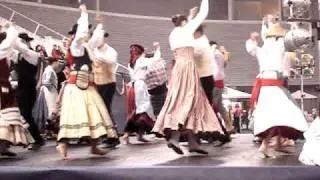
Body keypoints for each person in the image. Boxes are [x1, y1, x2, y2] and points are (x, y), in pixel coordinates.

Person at [152, 0, 223, 155]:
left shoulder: (174, 33)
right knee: (188, 100)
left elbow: (187, 27)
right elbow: (203, 14)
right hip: (187, 68)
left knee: (188, 102)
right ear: (184, 22)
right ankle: (176, 139)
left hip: (179, 67)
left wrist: (190, 17)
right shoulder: (186, 30)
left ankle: (192, 142)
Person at [56, 4, 117, 160]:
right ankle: (63, 144)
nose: (87, 33)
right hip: (77, 87)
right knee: (75, 115)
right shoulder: (76, 46)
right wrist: (84, 13)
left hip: (87, 86)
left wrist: (100, 24)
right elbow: (83, 33)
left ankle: (94, 146)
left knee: (93, 114)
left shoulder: (86, 46)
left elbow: (96, 38)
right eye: (85, 32)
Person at [246, 17, 308, 158]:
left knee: (275, 115)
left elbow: (252, 47)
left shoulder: (263, 49)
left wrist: (257, 33)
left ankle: (277, 143)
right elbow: (290, 46)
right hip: (274, 85)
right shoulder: (279, 47)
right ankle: (265, 144)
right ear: (278, 37)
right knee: (281, 115)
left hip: (268, 85)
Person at [0, 23, 39, 156]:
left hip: (22, 88)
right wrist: (10, 30)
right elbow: (8, 46)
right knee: (9, 115)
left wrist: (12, 34)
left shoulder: (30, 54)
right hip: (8, 87)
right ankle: (3, 146)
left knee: (16, 115)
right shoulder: (6, 51)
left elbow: (16, 48)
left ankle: (4, 146)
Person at [90, 16, 120, 148]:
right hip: (98, 83)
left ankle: (113, 136)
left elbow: (111, 61)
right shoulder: (95, 50)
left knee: (106, 109)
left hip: (108, 83)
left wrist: (98, 56)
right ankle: (108, 135)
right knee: (101, 109)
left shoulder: (111, 51)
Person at [123, 43, 159, 144]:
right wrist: (157, 49)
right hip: (139, 87)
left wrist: (145, 55)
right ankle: (128, 133)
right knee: (141, 111)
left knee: (138, 112)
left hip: (132, 88)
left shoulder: (131, 63)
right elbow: (155, 60)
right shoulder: (141, 61)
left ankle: (139, 134)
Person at [14, 33, 45, 150]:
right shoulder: (18, 55)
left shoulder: (31, 54)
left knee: (26, 113)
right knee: (22, 113)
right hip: (21, 87)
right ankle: (31, 138)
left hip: (28, 87)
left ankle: (37, 138)